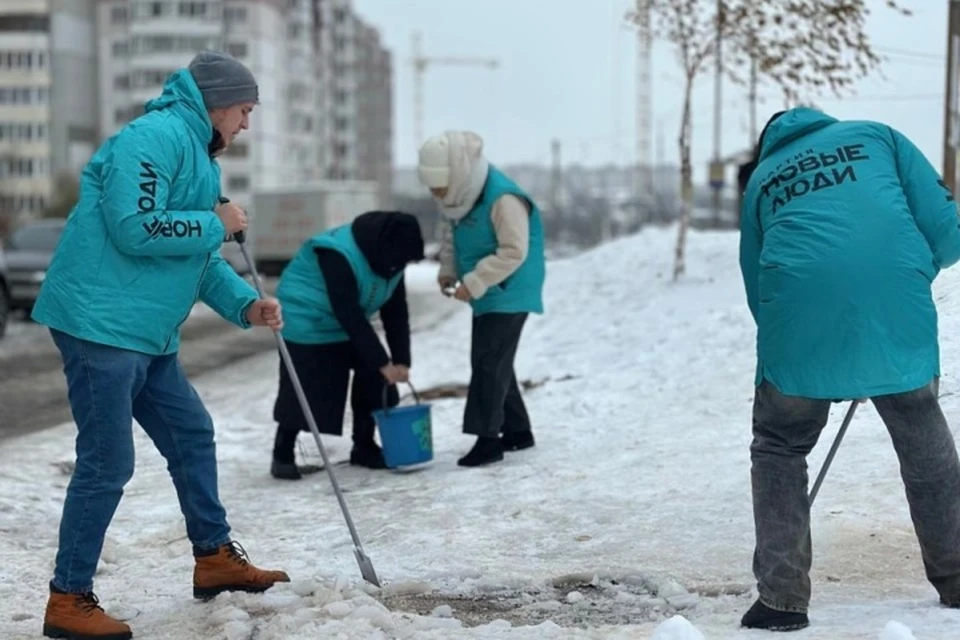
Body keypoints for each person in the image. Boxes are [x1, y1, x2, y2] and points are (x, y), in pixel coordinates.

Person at [31, 51, 290, 640]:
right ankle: (67, 599)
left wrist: (245, 303)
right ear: (218, 102)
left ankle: (214, 557)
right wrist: (214, 222)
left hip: (147, 332)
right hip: (100, 323)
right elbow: (136, 225)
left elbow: (194, 256)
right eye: (244, 110)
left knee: (191, 432)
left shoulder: (198, 157)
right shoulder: (151, 138)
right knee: (107, 462)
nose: (245, 124)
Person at [738, 106, 960, 631]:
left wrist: (798, 340)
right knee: (920, 431)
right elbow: (949, 229)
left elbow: (755, 284)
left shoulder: (762, 179)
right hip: (894, 307)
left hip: (798, 325)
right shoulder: (879, 136)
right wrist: (903, 270)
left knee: (778, 446)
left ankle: (781, 600)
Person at [416, 130, 546, 468]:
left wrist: (473, 282)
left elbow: (514, 252)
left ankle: (488, 441)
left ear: (456, 174)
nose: (435, 194)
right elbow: (451, 235)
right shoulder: (457, 197)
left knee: (488, 362)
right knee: (497, 359)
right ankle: (518, 431)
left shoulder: (503, 198)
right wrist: (448, 269)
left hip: (511, 289)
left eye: (439, 186)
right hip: (489, 290)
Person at [270, 211, 425, 478]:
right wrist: (382, 361)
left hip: (345, 318)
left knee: (374, 375)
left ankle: (364, 445)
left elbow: (396, 311)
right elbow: (348, 313)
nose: (401, 267)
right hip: (308, 317)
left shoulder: (392, 261)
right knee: (305, 383)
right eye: (400, 261)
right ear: (385, 249)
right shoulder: (338, 253)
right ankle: (282, 453)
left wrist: (400, 360)